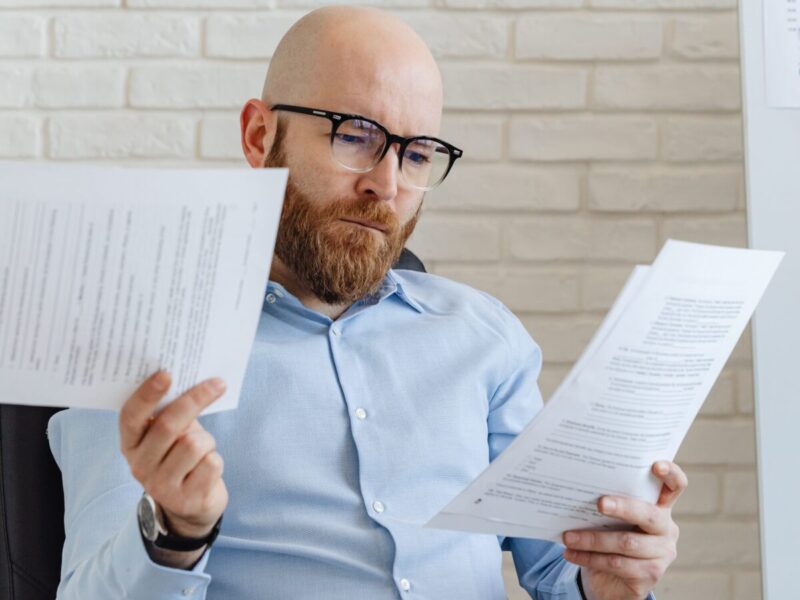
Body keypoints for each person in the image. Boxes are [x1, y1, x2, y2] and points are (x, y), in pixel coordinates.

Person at [48, 6, 685, 599]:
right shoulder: (143, 345)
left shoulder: (486, 337)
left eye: (416, 154)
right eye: (354, 136)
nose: (386, 184)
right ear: (259, 136)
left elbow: (558, 568)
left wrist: (609, 582)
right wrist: (175, 532)